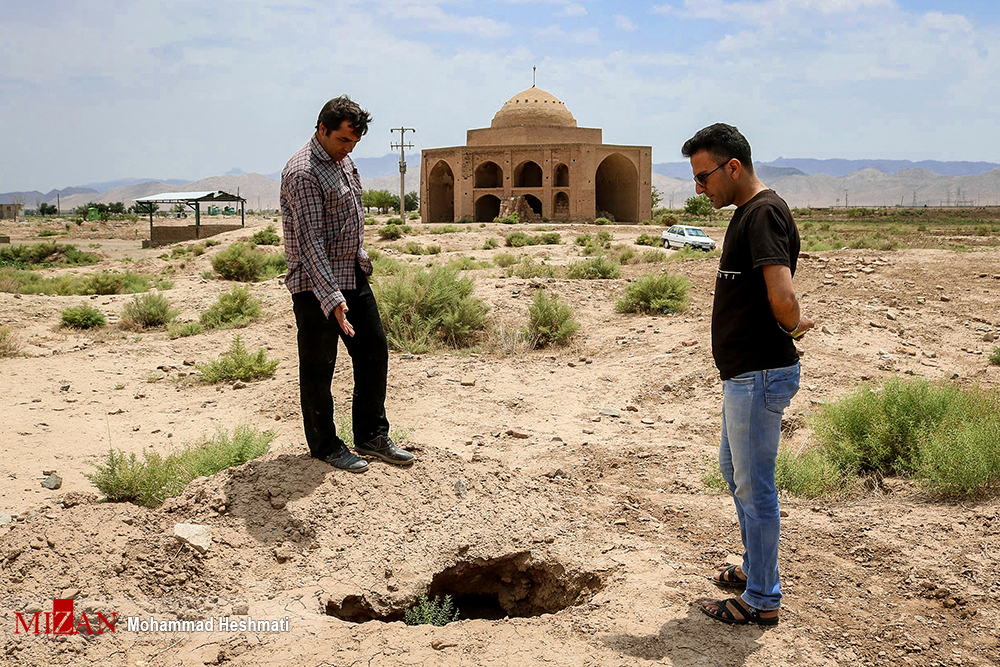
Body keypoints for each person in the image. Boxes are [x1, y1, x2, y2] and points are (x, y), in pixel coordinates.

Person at [681, 123, 814, 625]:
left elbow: (782, 296)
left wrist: (794, 326)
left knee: (754, 486)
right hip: (744, 374)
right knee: (736, 475)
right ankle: (755, 568)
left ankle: (761, 599)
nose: (699, 188)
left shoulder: (762, 214)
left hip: (759, 374)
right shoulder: (745, 213)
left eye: (703, 176)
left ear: (732, 167)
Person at [280, 95, 414, 473]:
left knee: (374, 352)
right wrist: (332, 299)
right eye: (342, 140)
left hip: (351, 274)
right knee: (319, 366)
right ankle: (324, 445)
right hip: (313, 285)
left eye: (354, 143)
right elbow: (310, 244)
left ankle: (372, 435)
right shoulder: (302, 173)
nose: (348, 149)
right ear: (322, 129)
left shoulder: (344, 161)